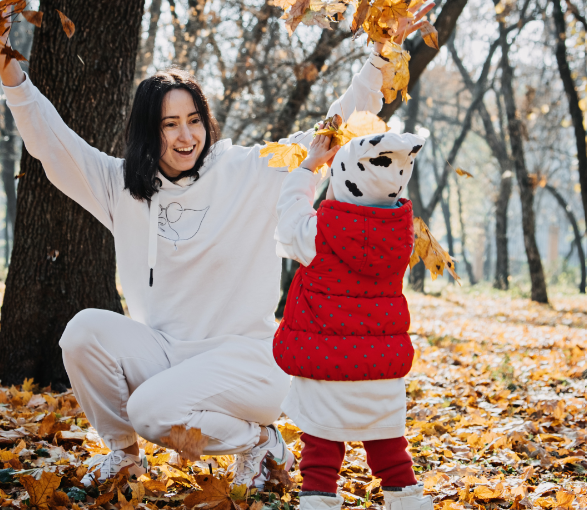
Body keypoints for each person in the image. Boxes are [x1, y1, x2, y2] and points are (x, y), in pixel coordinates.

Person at [0, 2, 435, 488]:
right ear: (149, 132)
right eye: (169, 124)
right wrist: (8, 67)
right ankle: (123, 456)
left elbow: (337, 126)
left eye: (194, 119)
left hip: (248, 363)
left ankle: (260, 442)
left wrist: (382, 56)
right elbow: (52, 143)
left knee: (150, 409)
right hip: (167, 354)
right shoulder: (121, 185)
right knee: (82, 332)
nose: (186, 136)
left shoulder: (252, 169)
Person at [272, 129, 434, 510]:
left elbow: (290, 215)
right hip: (380, 364)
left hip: (325, 361)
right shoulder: (401, 236)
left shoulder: (319, 234)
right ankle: (405, 497)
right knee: (388, 442)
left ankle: (318, 499)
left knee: (321, 441)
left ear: (344, 176)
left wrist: (310, 166)